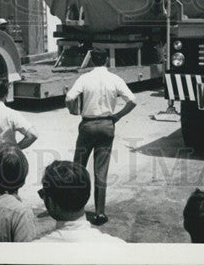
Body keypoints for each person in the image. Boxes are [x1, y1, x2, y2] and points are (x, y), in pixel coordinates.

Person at [64, 48, 137, 225]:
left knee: (78, 167)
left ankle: (74, 207)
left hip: (88, 126)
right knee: (101, 171)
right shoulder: (115, 79)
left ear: (91, 61)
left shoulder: (84, 78)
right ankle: (99, 213)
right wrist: (117, 116)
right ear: (106, 60)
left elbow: (69, 98)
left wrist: (74, 111)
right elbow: (132, 101)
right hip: (106, 126)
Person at [37, 161, 126, 242]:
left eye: (42, 194)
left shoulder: (36, 249)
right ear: (86, 195)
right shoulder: (118, 245)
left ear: (51, 202)